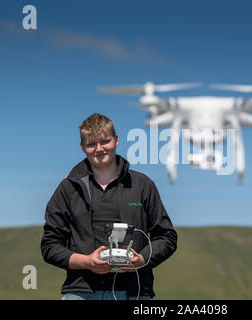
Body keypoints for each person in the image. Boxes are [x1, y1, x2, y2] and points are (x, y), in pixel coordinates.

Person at [41, 113, 177, 300]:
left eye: (105, 141)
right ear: (82, 147)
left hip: (134, 292)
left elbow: (166, 237)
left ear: (116, 140)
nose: (99, 149)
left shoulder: (142, 185)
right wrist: (87, 262)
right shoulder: (67, 189)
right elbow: (50, 246)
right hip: (81, 291)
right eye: (91, 144)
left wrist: (142, 259)